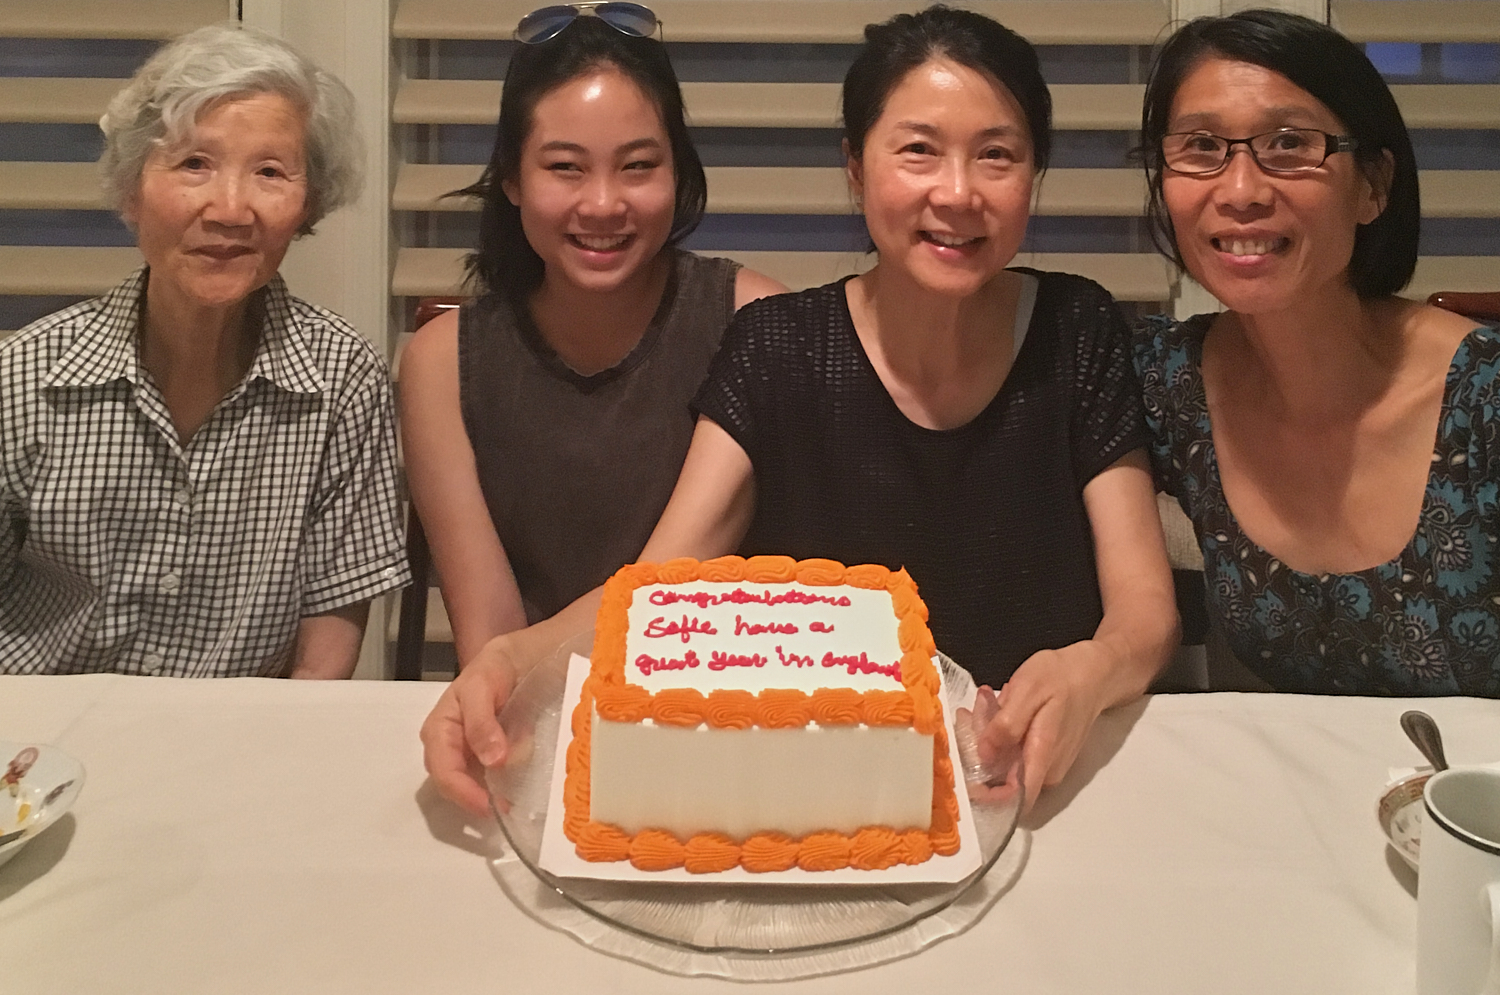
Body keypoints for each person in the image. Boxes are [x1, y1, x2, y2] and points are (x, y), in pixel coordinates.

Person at [422, 5, 1179, 816]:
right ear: (856, 166)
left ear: (1034, 173)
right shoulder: (777, 345)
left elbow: (1146, 610)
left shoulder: (1077, 330)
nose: (957, 192)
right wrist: (511, 659)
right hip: (843, 801)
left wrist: (1090, 670)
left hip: (1047, 789)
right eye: (918, 150)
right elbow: (657, 584)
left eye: (997, 154)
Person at [0, 23, 409, 678]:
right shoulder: (24, 378)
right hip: (42, 728)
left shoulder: (343, 376)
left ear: (308, 204)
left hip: (244, 731)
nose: (230, 209)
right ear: (132, 189)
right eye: (194, 164)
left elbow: (332, 620)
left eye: (270, 172)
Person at [399, 6, 783, 667]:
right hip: (529, 703)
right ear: (512, 179)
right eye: (565, 167)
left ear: (678, 171)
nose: (603, 204)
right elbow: (489, 640)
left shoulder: (756, 323)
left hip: (716, 700)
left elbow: (679, 586)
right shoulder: (442, 363)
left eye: (637, 166)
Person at [1133, 9, 1500, 696]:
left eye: (1290, 143)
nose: (1240, 191)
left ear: (1374, 185)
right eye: (1202, 145)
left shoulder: (1485, 400)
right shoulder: (1168, 385)